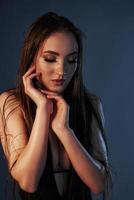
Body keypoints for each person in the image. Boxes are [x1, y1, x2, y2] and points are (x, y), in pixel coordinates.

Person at [0, 11, 112, 200]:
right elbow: (28, 182)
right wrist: (43, 110)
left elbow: (99, 183)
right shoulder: (12, 102)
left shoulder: (90, 103)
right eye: (50, 59)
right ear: (32, 57)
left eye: (71, 60)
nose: (62, 71)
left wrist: (64, 130)